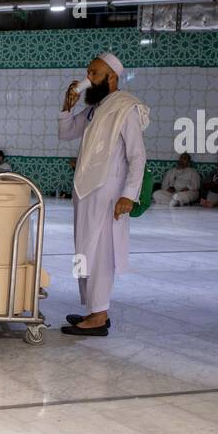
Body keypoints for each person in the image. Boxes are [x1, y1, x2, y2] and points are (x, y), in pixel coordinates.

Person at [57, 52, 149, 337]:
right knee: (84, 250)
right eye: (88, 72)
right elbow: (66, 133)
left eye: (94, 74)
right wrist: (66, 107)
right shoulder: (96, 108)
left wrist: (129, 195)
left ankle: (99, 316)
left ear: (112, 77)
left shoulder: (126, 108)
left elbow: (138, 156)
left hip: (108, 194)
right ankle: (93, 310)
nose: (88, 78)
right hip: (86, 191)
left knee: (101, 253)